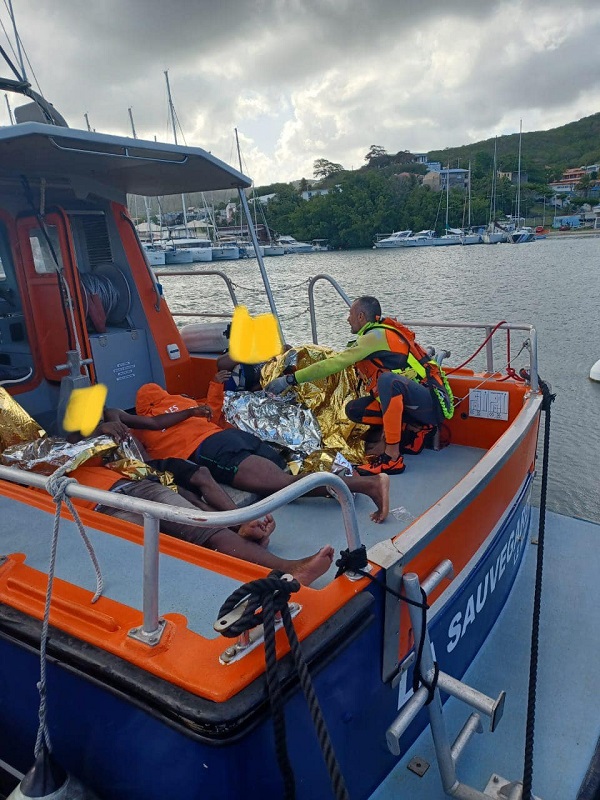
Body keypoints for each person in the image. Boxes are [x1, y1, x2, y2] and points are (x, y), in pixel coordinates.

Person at [69, 421, 334, 586]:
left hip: (135, 482)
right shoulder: (50, 472)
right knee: (159, 546)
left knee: (200, 523)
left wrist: (100, 430)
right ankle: (245, 545)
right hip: (98, 505)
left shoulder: (91, 450)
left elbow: (116, 448)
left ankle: (289, 568)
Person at [105, 374, 390, 523]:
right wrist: (214, 386)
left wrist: (114, 424)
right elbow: (214, 412)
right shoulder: (185, 403)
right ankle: (340, 488)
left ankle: (367, 485)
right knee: (283, 481)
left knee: (283, 485)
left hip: (212, 450)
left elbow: (127, 431)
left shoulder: (141, 426)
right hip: (235, 439)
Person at [265, 296, 453, 476]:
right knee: (354, 410)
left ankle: (392, 457)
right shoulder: (375, 335)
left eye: (350, 314)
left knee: (388, 381)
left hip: (430, 405)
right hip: (414, 405)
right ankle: (414, 430)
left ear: (361, 316)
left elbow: (335, 363)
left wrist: (290, 379)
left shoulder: (376, 337)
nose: (348, 319)